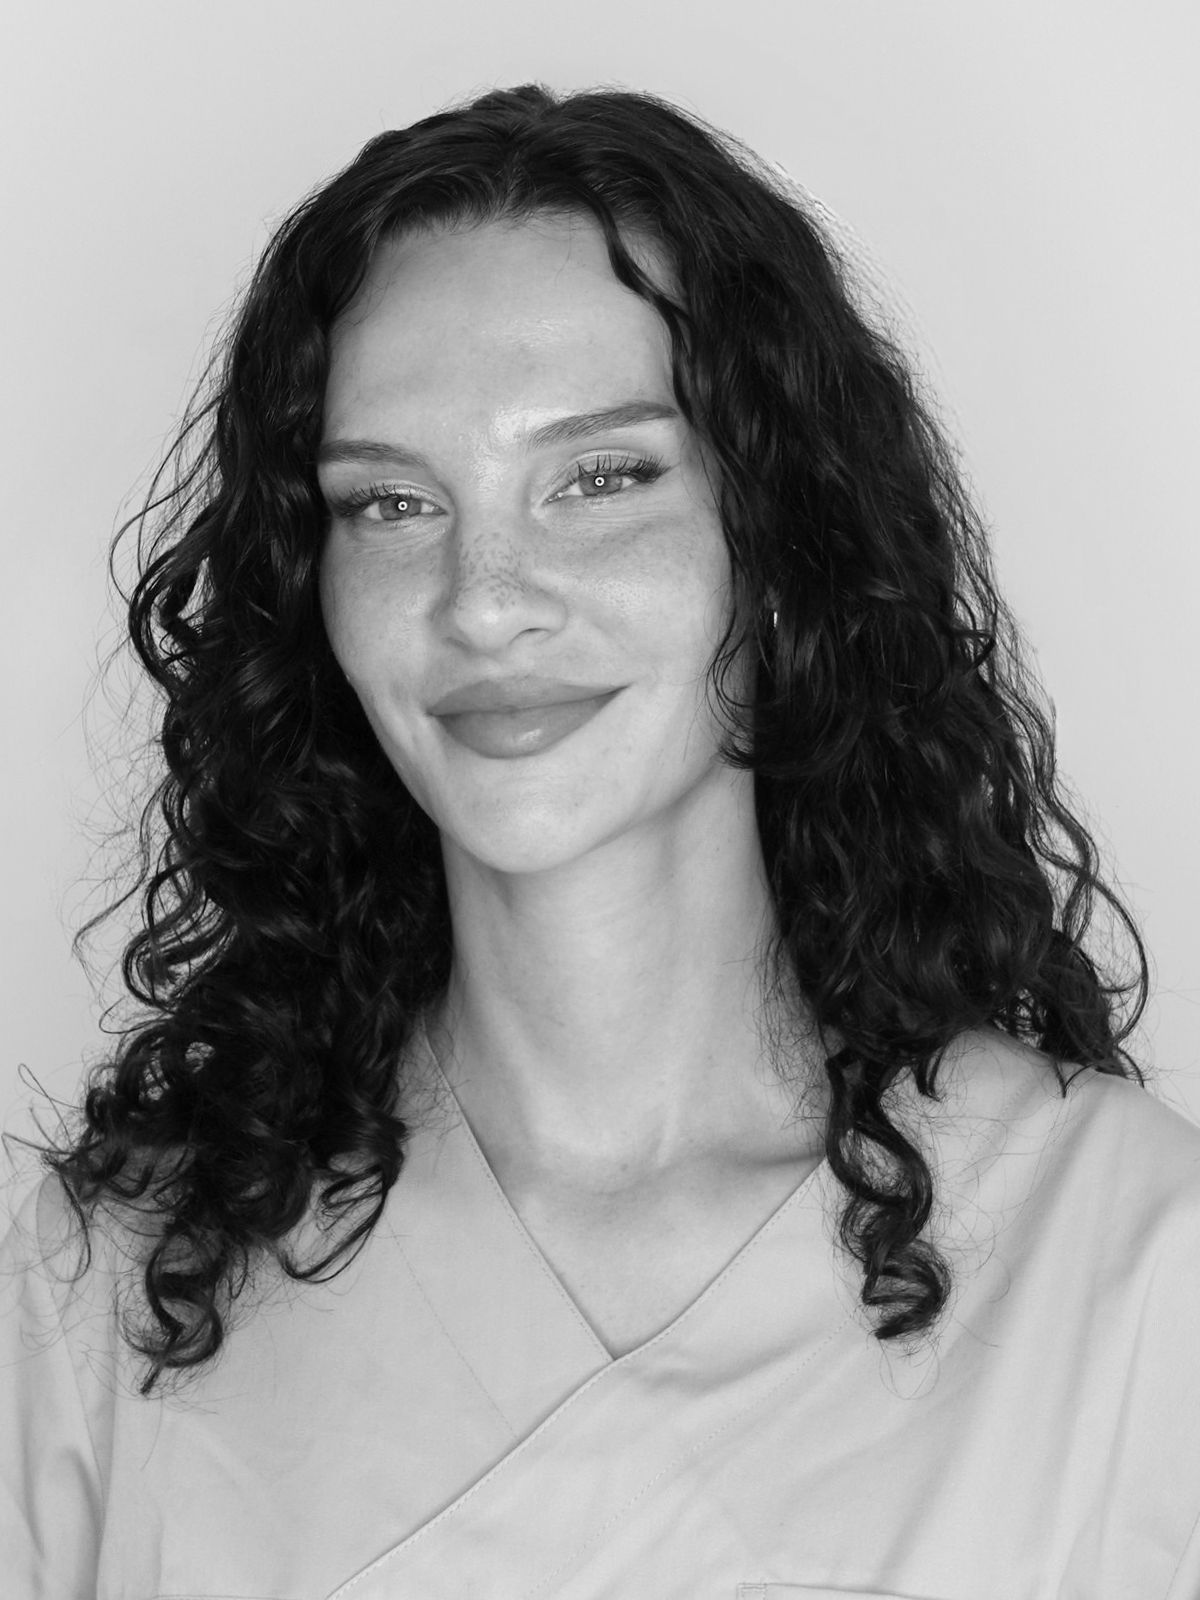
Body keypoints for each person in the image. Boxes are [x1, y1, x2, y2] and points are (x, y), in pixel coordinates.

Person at [2, 82, 1198, 1600]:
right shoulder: (104, 1287)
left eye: (603, 477)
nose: (484, 598)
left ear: (782, 546)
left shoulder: (1132, 1265)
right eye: (390, 503)